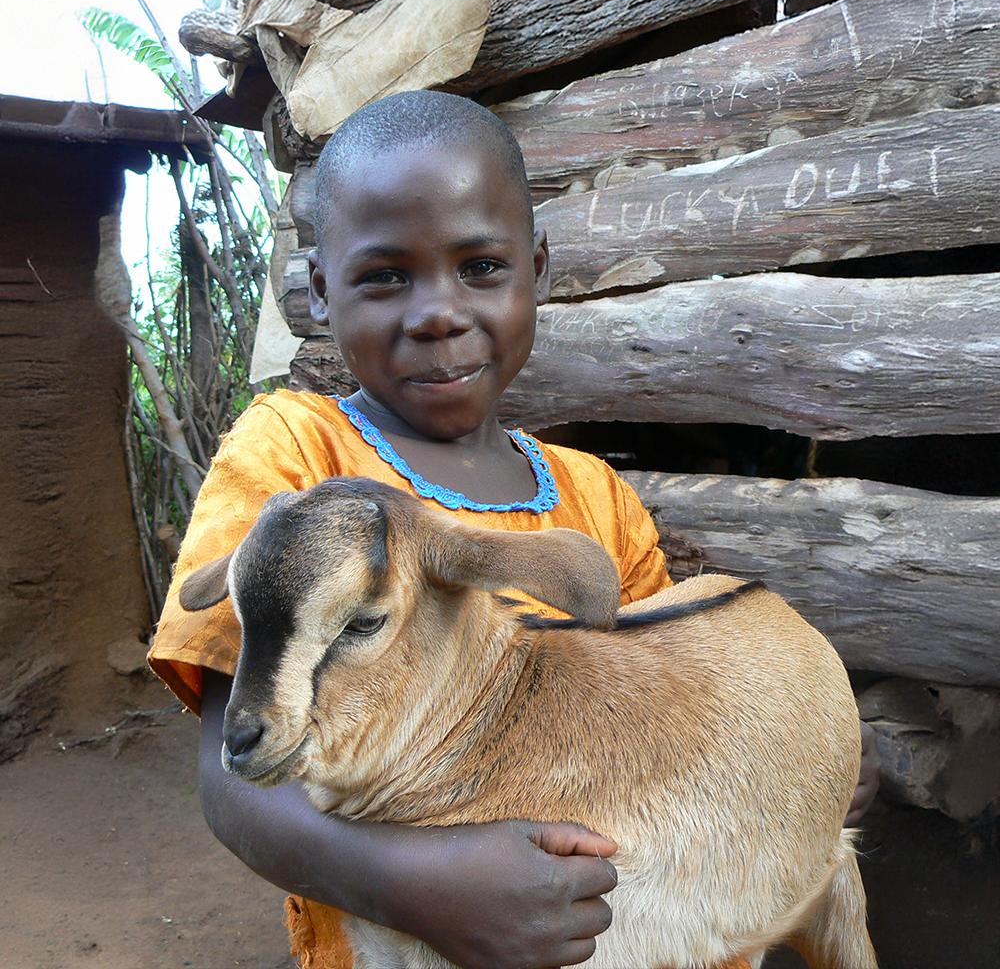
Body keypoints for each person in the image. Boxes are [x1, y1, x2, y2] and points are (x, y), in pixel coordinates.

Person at [149, 90, 877, 969]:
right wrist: (418, 887)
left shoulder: (594, 494)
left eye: (482, 267)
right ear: (320, 291)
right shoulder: (293, 455)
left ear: (537, 269)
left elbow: (670, 695)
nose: (438, 313)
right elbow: (233, 776)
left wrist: (802, 753)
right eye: (385, 276)